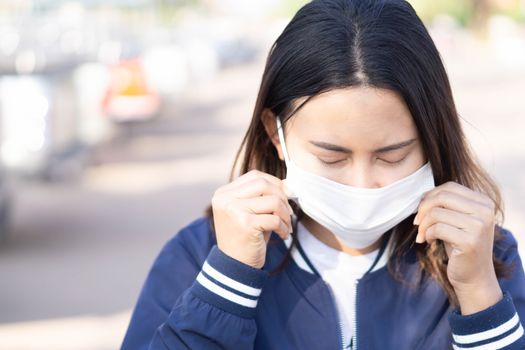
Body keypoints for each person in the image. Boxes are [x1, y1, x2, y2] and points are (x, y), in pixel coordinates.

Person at [121, 0, 525, 349]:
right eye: (331, 158)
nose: (362, 183)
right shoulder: (199, 255)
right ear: (274, 134)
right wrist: (229, 281)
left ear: (434, 137)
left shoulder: (483, 254)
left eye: (393, 155)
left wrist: (479, 295)